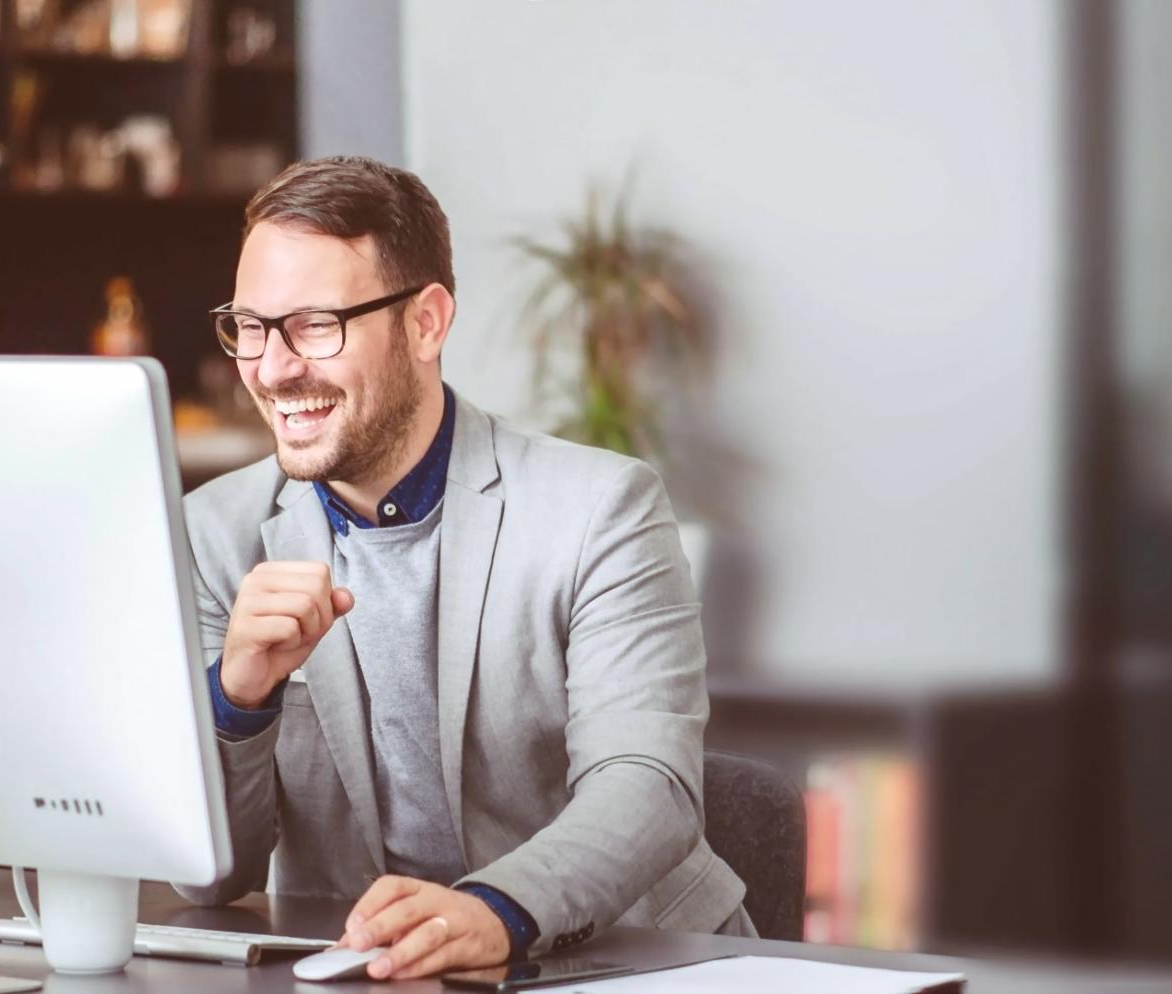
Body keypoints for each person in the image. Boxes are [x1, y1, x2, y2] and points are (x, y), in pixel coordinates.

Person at [175, 156, 751, 981]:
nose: (271, 368)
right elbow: (209, 877)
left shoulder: (602, 509)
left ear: (425, 323)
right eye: (252, 327)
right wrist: (237, 702)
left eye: (313, 326)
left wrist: (495, 911)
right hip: (378, 973)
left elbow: (647, 786)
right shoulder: (215, 534)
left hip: (629, 962)